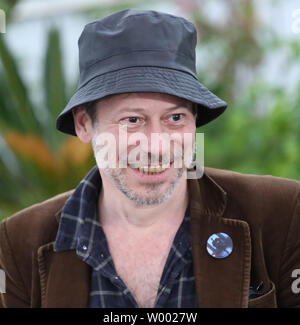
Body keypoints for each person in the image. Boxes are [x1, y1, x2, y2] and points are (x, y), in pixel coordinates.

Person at [0, 9, 299, 308]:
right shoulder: (18, 244)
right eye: (132, 120)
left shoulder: (281, 215)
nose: (156, 145)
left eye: (175, 117)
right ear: (83, 125)